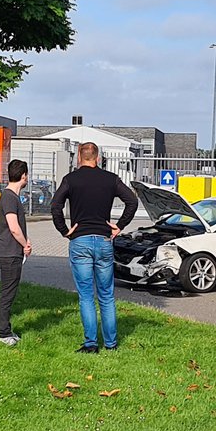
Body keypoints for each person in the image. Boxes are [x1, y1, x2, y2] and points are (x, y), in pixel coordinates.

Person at [50, 143, 138, 353]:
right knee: (106, 295)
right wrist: (119, 226)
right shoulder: (110, 179)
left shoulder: (71, 180)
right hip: (104, 240)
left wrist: (64, 230)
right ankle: (111, 343)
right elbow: (132, 201)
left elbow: (55, 206)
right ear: (97, 158)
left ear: (80, 157)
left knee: (86, 295)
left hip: (80, 241)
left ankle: (91, 344)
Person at [0, 160, 35, 345]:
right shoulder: (9, 197)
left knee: (9, 291)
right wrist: (25, 244)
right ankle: (4, 333)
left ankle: (6, 329)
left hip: (10, 251)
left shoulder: (10, 196)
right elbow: (14, 227)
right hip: (9, 252)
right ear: (23, 175)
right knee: (8, 293)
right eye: (27, 175)